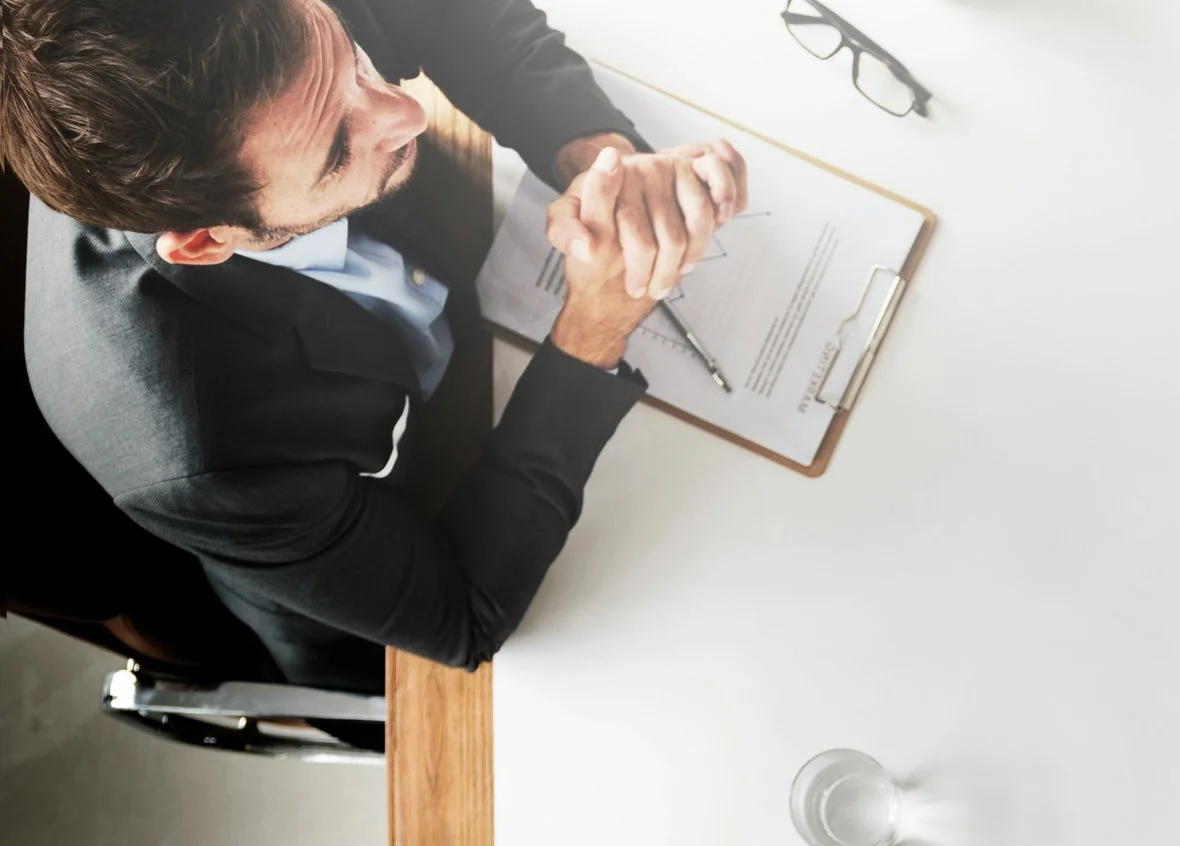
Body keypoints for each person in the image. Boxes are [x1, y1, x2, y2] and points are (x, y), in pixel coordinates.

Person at [0, 0, 748, 691]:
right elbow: (464, 612)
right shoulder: (198, 453)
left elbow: (457, 17)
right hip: (379, 533)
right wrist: (594, 329)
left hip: (455, 271)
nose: (410, 112)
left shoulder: (266, 22)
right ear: (204, 241)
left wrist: (592, 153)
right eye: (333, 148)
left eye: (355, 58)